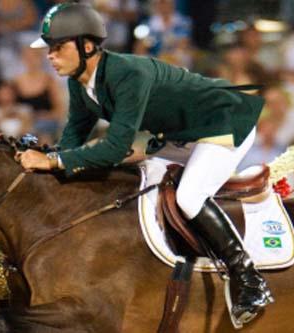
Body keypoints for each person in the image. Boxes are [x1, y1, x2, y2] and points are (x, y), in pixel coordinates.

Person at [16, 3, 272, 324]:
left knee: (189, 196)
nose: (50, 56)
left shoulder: (127, 74)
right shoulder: (79, 82)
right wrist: (45, 164)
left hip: (224, 122)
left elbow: (114, 148)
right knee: (143, 179)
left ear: (88, 45)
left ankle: (248, 278)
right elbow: (73, 139)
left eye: (58, 47)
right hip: (183, 133)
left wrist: (53, 161)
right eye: (49, 49)